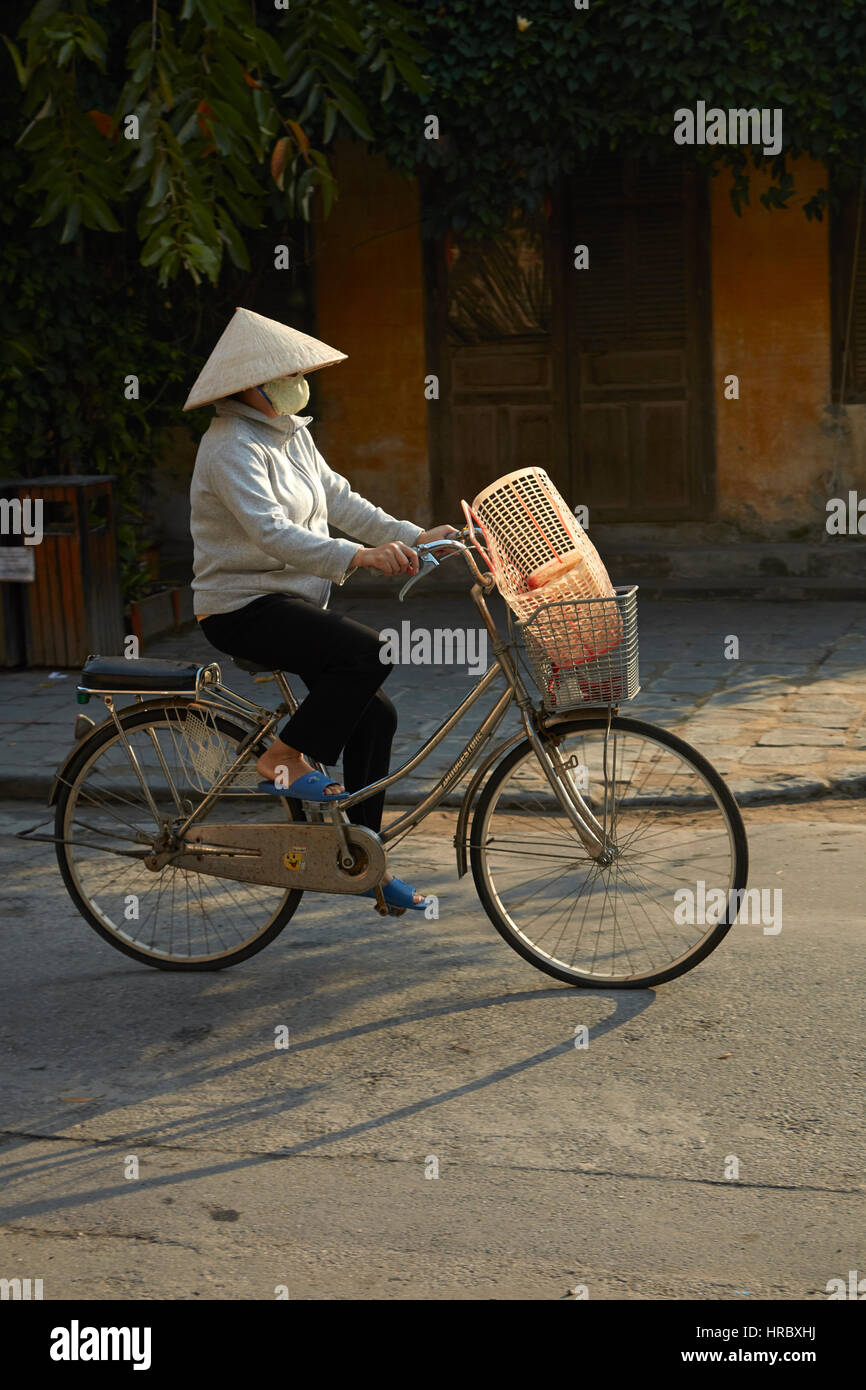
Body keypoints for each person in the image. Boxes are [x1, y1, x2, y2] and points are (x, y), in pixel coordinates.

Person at [184, 307, 457, 912]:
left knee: (375, 717)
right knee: (367, 652)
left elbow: (340, 499)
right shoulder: (229, 445)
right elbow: (272, 534)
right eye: (283, 374)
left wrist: (413, 537)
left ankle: (364, 861)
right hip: (241, 606)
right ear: (247, 386)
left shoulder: (289, 432)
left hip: (289, 601)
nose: (297, 382)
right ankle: (279, 759)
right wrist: (361, 559)